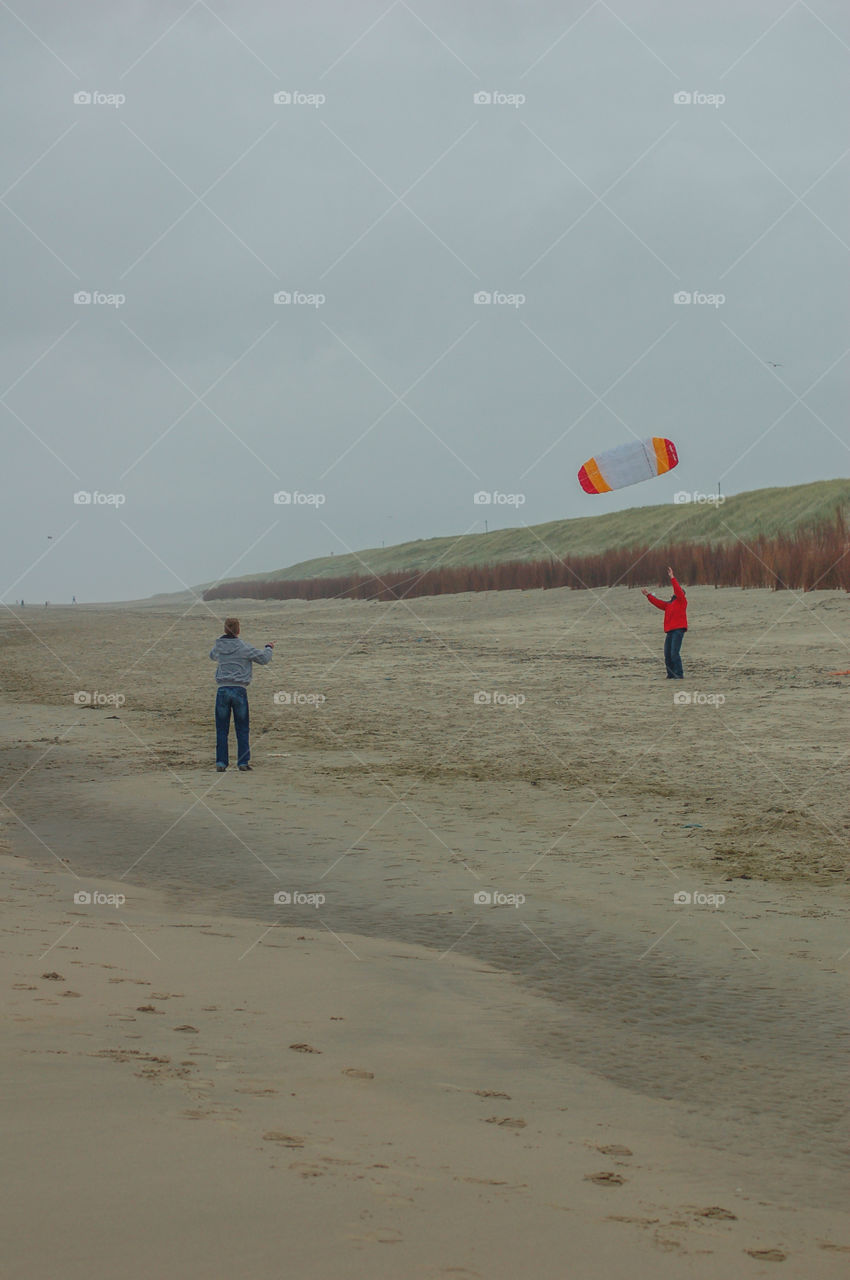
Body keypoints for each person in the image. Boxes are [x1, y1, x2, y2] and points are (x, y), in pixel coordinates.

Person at [209, 617, 274, 771]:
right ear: (238, 630)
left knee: (221, 729)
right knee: (242, 727)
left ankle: (221, 762)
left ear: (225, 629)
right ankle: (243, 762)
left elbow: (212, 656)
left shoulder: (219, 645)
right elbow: (264, 659)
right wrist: (269, 647)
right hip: (239, 690)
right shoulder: (244, 646)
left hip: (223, 690)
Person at [642, 566, 687, 679]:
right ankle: (671, 674)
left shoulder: (682, 601)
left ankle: (679, 674)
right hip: (670, 631)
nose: (672, 593)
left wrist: (672, 577)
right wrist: (648, 595)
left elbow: (677, 589)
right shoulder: (669, 605)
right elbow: (658, 603)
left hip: (678, 630)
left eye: (675, 593)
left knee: (674, 653)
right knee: (667, 654)